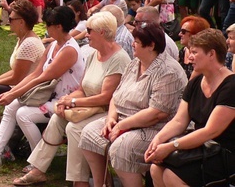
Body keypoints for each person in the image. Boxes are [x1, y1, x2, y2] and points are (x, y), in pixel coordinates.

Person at [15, 11, 131, 186]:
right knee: (56, 118)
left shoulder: (119, 59)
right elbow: (82, 88)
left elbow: (106, 98)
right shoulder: (94, 54)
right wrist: (65, 100)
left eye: (89, 30)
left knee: (74, 129)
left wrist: (73, 102)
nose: (86, 34)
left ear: (101, 32)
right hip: (87, 107)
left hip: (108, 113)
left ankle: (80, 181)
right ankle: (38, 170)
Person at [0, 6, 85, 167]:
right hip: (48, 95)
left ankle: (39, 160)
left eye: (48, 25)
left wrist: (13, 93)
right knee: (12, 108)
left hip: (64, 101)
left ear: (58, 26)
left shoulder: (69, 50)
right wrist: (14, 93)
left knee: (23, 114)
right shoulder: (53, 46)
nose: (46, 28)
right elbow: (34, 75)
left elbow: (42, 77)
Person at [79, 21, 187, 186]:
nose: (132, 44)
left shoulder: (168, 71)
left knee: (122, 148)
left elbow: (157, 113)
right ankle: (104, 183)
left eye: (136, 41)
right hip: (124, 119)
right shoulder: (134, 63)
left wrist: (122, 126)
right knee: (89, 133)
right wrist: (111, 119)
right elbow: (116, 95)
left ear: (150, 46)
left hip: (157, 127)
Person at [147, 29, 235, 187]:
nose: (189, 57)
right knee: (155, 169)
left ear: (211, 54)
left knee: (171, 176)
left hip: (225, 152)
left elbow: (211, 131)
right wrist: (158, 141)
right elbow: (179, 121)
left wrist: (171, 146)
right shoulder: (195, 82)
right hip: (203, 148)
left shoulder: (231, 86)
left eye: (194, 52)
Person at [0, 0, 44, 124]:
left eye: (11, 19)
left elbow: (16, 78)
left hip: (26, 91)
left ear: (21, 22)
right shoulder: (23, 39)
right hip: (20, 86)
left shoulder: (29, 44)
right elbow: (15, 71)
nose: (8, 21)